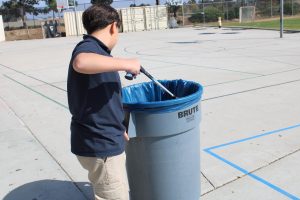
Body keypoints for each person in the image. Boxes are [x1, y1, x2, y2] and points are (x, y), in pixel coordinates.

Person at [67, 4, 140, 200]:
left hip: (103, 138)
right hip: (100, 145)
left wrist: (118, 126)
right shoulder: (89, 48)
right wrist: (127, 63)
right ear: (113, 27)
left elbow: (104, 100)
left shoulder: (100, 54)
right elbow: (80, 62)